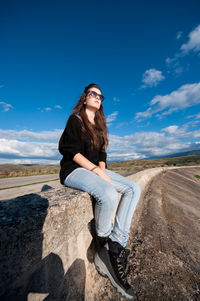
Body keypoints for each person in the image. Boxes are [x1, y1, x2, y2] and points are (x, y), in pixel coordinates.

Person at [58, 83, 141, 300]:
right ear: (85, 98)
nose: (97, 97)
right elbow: (70, 151)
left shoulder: (100, 125)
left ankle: (116, 244)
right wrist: (96, 171)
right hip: (74, 170)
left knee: (133, 188)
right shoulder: (75, 119)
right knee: (108, 193)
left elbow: (102, 154)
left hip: (95, 169)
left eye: (100, 96)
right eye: (93, 94)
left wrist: (101, 170)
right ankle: (104, 246)